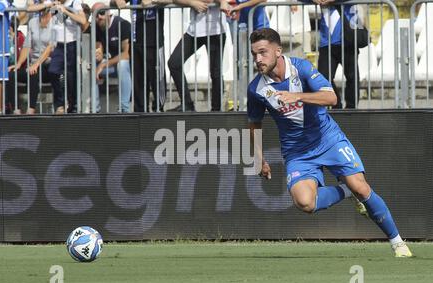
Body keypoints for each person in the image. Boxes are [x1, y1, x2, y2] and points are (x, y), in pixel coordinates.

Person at [247, 28, 412, 257]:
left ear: (278, 50)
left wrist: (298, 96)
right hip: (297, 152)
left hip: (328, 139)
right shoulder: (256, 89)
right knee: (305, 203)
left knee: (361, 187)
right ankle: (346, 191)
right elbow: (254, 124)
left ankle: (398, 243)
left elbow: (331, 97)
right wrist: (258, 159)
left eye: (262, 53)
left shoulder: (301, 68)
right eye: (254, 54)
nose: (258, 59)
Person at [167, 0, 231, 112]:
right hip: (194, 30)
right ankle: (187, 105)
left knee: (215, 72)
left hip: (216, 30)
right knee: (174, 63)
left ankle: (216, 110)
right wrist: (192, 3)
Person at [301, 0, 362, 109]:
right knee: (324, 77)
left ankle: (351, 109)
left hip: (349, 40)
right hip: (327, 43)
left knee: (352, 77)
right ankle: (337, 106)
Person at [113, 0, 171, 113]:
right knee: (138, 80)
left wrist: (153, 1)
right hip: (136, 42)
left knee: (157, 78)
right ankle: (140, 112)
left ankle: (158, 110)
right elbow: (116, 2)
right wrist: (116, 1)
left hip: (154, 42)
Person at [6, 8, 54, 115]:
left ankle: (31, 109)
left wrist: (36, 64)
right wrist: (18, 65)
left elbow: (50, 48)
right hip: (33, 65)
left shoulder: (55, 23)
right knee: (11, 74)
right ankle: (15, 109)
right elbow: (27, 46)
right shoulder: (32, 22)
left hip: (47, 64)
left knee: (33, 73)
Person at [92, 2, 132, 113]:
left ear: (108, 12)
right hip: (108, 65)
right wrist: (99, 52)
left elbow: (126, 54)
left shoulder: (122, 24)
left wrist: (104, 64)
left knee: (122, 64)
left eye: (101, 13)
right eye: (95, 15)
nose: (99, 17)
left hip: (124, 66)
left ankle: (124, 109)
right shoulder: (96, 27)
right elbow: (98, 45)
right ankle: (95, 109)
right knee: (89, 67)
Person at [48, 0, 87, 114]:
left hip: (72, 43)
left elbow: (83, 20)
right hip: (59, 45)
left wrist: (66, 11)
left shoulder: (74, 3)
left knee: (71, 78)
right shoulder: (54, 3)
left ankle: (73, 105)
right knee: (53, 71)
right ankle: (60, 103)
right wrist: (51, 7)